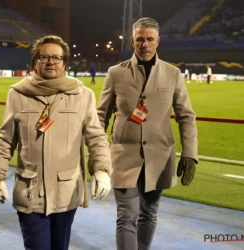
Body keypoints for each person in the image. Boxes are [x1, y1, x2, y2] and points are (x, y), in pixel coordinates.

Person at [0, 35, 112, 250]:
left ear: (65, 63)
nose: (50, 62)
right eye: (44, 56)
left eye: (56, 57)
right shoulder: (17, 93)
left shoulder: (83, 95)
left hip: (66, 191)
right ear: (35, 61)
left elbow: (96, 137)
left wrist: (101, 169)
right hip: (29, 191)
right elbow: (6, 139)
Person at [96, 17, 198, 250]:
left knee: (149, 213)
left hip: (159, 157)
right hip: (122, 156)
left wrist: (190, 154)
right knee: (126, 216)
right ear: (132, 41)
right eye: (140, 39)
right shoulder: (115, 73)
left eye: (149, 39)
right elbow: (101, 116)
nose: (145, 44)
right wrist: (98, 154)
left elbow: (186, 116)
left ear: (157, 41)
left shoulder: (173, 74)